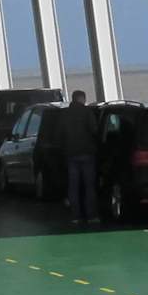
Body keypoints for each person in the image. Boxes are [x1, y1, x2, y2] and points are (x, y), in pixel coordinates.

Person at [63, 89, 98, 225]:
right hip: (87, 153)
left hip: (71, 154)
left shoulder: (65, 114)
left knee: (73, 186)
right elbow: (94, 130)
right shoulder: (87, 112)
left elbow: (60, 133)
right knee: (89, 186)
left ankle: (75, 216)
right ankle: (91, 216)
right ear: (81, 99)